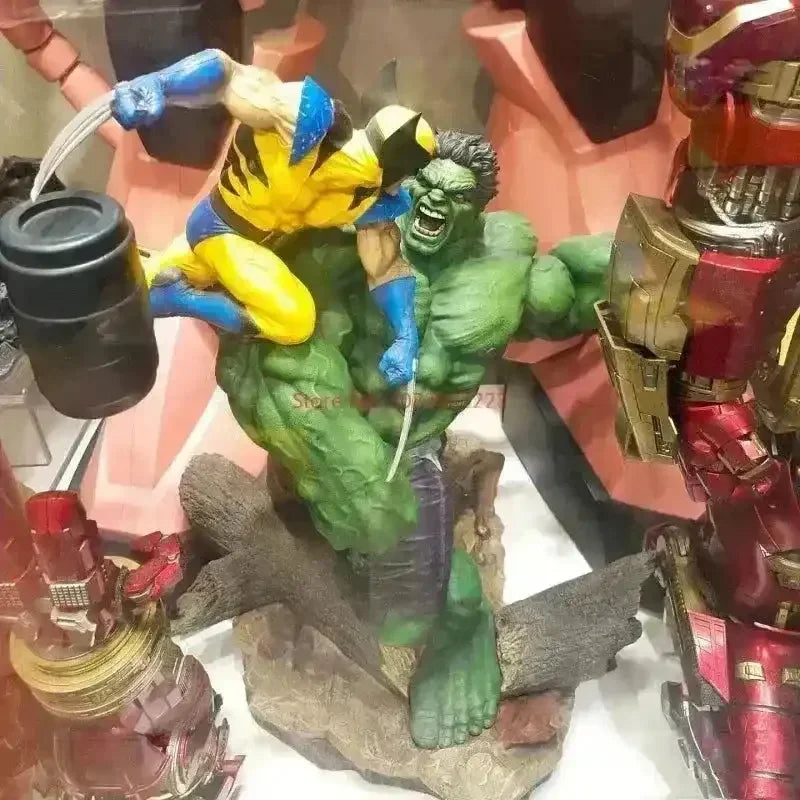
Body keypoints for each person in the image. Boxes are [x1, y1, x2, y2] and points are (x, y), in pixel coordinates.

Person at [111, 49, 436, 386]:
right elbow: (228, 74)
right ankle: (179, 299)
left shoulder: (368, 197)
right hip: (221, 228)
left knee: (133, 291)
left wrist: (406, 338)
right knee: (295, 320)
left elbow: (386, 265)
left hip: (249, 249)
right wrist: (158, 84)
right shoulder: (305, 120)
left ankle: (157, 293)